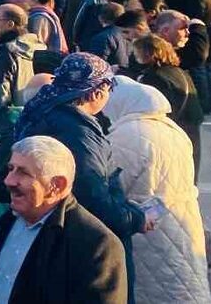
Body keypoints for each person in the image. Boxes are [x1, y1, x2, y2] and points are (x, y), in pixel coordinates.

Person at [14, 53, 151, 299]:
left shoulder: (46, 112)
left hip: (44, 227)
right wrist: (134, 218)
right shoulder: (77, 133)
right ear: (97, 91)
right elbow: (93, 199)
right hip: (72, 238)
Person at [0, 135, 127, 304]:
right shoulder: (11, 220)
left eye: (23, 172)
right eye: (11, 169)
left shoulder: (97, 244)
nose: (9, 181)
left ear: (56, 185)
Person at [98, 76, 209, 304]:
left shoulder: (127, 135)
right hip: (181, 221)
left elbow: (115, 186)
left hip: (147, 231)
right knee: (182, 283)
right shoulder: (172, 130)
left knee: (154, 287)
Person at [131, 34, 204, 176]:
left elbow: (152, 109)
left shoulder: (154, 77)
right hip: (191, 127)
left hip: (172, 130)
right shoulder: (180, 72)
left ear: (148, 53)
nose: (134, 56)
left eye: (136, 52)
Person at [0, 5, 45, 139]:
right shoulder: (38, 47)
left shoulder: (6, 52)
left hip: (5, 126)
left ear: (10, 24)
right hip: (30, 121)